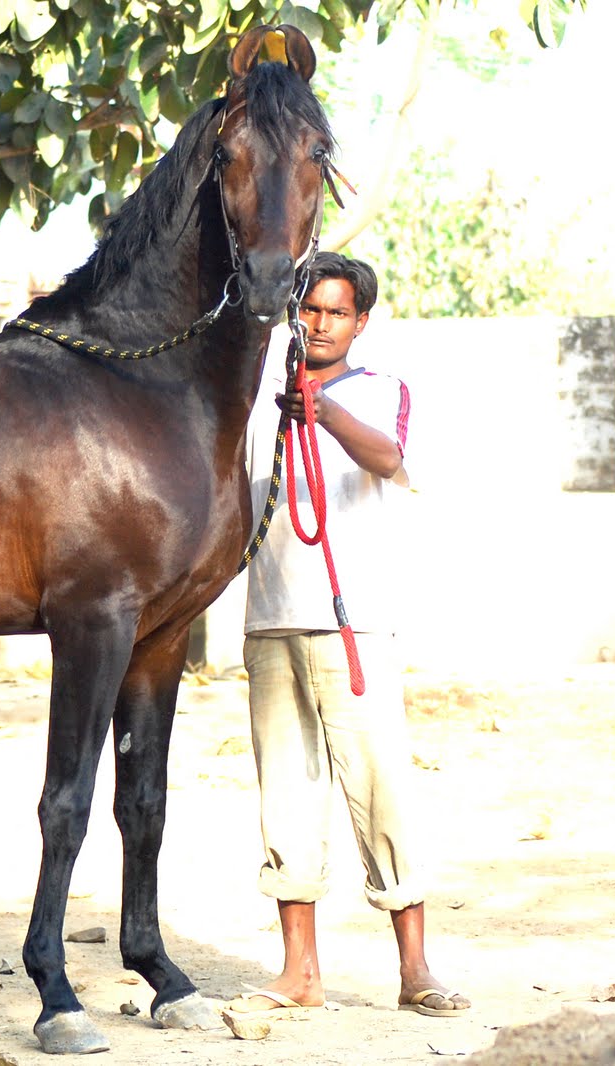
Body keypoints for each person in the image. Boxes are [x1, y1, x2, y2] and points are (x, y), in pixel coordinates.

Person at [229, 252, 470, 1020]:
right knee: (286, 801)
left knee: (381, 793)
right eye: (310, 309)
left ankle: (416, 969)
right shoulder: (256, 396)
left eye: (336, 312)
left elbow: (391, 459)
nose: (320, 323)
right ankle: (300, 974)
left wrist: (324, 413)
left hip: (353, 623)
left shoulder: (383, 390)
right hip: (270, 620)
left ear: (360, 322)